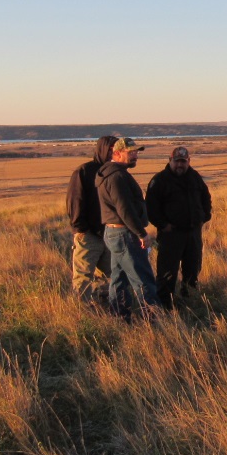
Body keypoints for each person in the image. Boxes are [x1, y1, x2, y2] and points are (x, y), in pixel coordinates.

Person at [96, 137, 161, 319]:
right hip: (125, 233)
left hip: (115, 232)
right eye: (130, 152)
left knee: (119, 278)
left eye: (136, 152)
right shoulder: (117, 176)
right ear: (116, 153)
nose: (135, 156)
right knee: (142, 278)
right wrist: (141, 233)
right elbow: (124, 209)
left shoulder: (110, 172)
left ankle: (120, 317)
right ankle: (153, 320)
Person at [146, 146, 213, 309]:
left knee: (193, 268)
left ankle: (189, 301)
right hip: (171, 234)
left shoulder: (195, 177)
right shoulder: (159, 180)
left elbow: (206, 198)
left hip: (193, 233)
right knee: (167, 273)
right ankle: (164, 307)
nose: (180, 165)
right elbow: (151, 208)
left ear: (188, 161)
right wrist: (163, 225)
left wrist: (203, 218)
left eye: (183, 162)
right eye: (177, 162)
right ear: (170, 161)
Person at [65, 135, 117, 305]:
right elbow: (75, 201)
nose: (112, 153)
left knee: (110, 275)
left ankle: (105, 306)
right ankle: (81, 312)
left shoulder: (115, 172)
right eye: (109, 149)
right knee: (83, 277)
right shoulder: (84, 171)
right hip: (88, 236)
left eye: (116, 150)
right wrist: (81, 229)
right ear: (101, 149)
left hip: (110, 234)